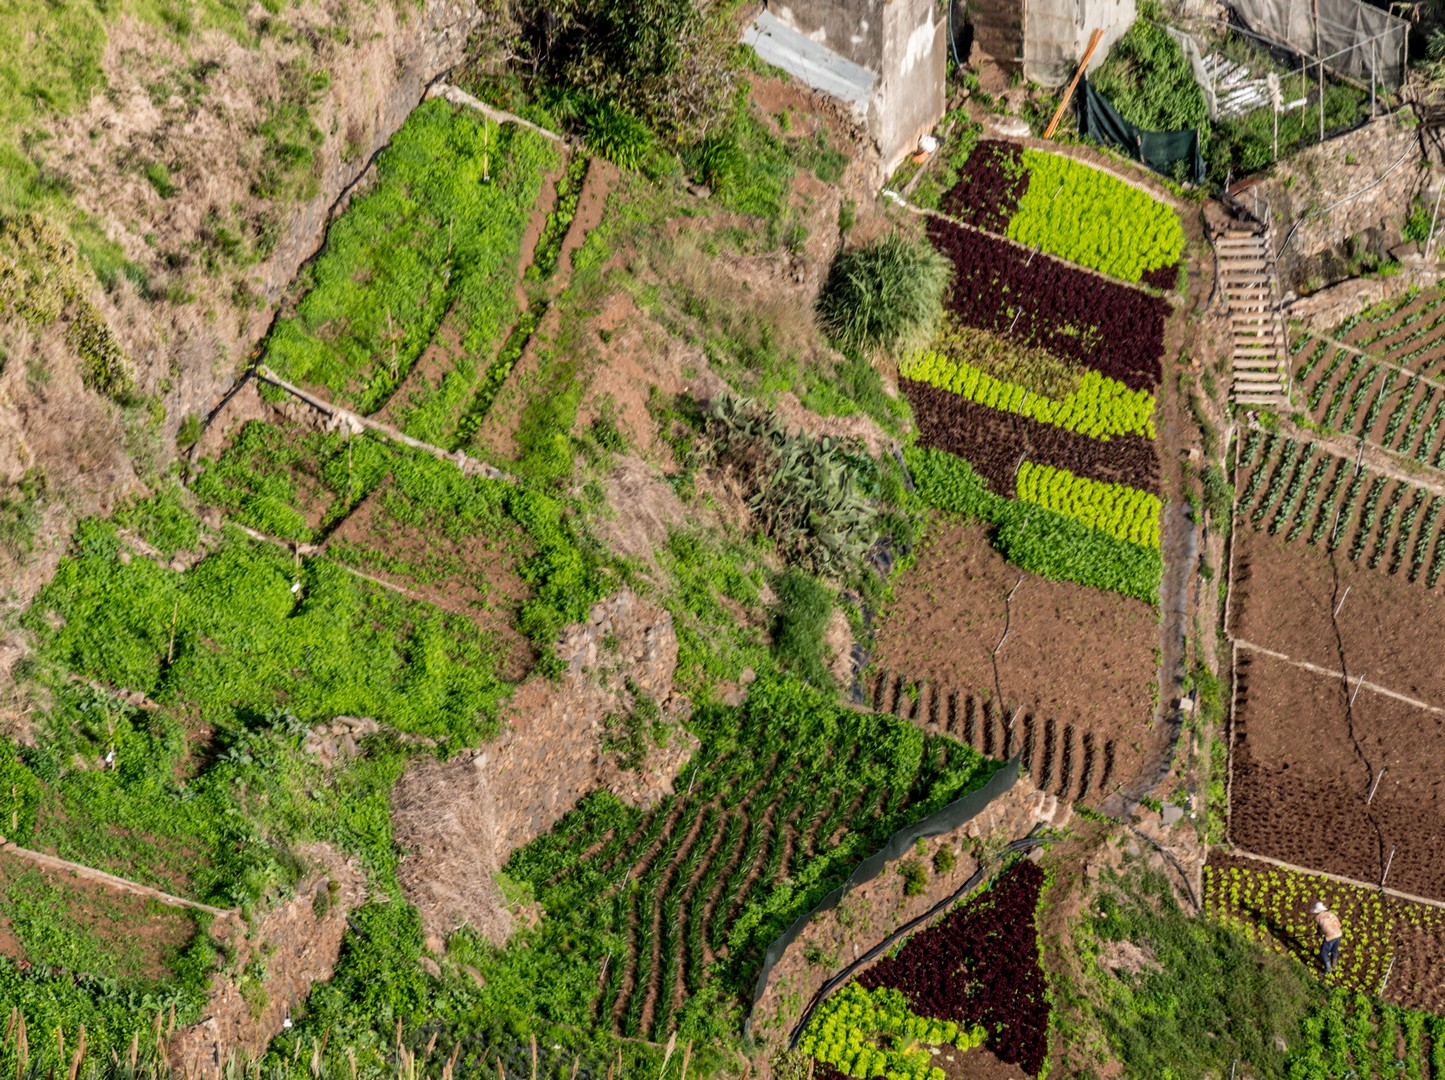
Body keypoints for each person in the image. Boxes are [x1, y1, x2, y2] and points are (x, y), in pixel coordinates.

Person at [1312, 901, 1343, 974]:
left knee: (1323, 953)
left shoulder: (1318, 918)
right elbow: (1339, 925)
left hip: (1330, 936)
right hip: (1338, 934)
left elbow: (1319, 929)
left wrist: (1319, 933)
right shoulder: (1331, 914)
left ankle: (1328, 970)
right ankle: (1334, 966)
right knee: (1334, 950)